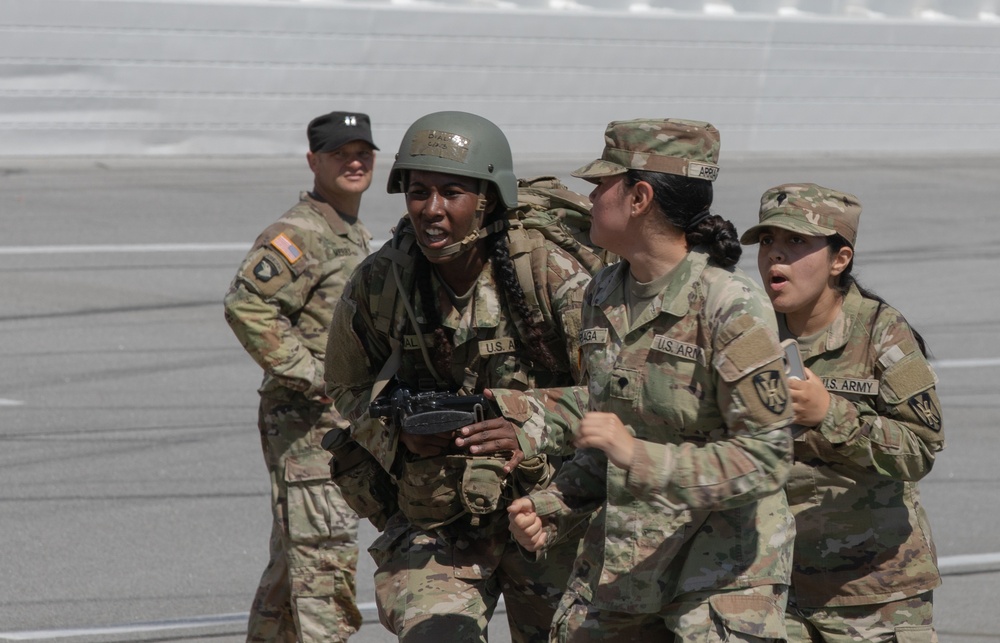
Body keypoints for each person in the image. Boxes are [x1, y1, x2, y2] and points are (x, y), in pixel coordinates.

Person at [507, 118, 796, 642]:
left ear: (639, 197)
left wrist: (641, 457)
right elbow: (604, 443)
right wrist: (550, 507)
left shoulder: (729, 306)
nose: (589, 197)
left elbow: (768, 458)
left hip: (718, 575)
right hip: (627, 564)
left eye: (600, 185)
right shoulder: (603, 292)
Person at [323, 110, 595, 643]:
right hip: (438, 513)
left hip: (548, 513)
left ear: (489, 198)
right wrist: (396, 431)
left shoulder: (547, 273)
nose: (432, 210)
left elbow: (619, 395)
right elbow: (345, 387)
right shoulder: (383, 281)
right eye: (418, 191)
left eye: (452, 192)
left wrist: (524, 422)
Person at [740, 183, 944, 642]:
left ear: (839, 259)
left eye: (796, 242)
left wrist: (830, 413)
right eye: (768, 241)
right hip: (775, 583)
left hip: (876, 592)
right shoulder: (748, 329)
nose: (776, 255)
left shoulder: (880, 331)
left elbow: (921, 449)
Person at [223, 110, 377, 643]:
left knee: (294, 565)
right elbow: (247, 306)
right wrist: (314, 376)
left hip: (332, 423)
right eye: (340, 153)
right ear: (314, 161)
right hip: (308, 424)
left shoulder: (349, 229)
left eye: (363, 152)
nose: (354, 162)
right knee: (323, 566)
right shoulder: (300, 233)